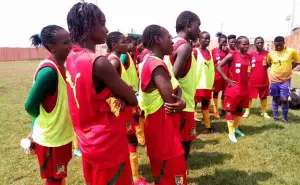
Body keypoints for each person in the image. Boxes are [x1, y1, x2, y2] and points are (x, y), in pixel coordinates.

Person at [66, 2, 137, 185]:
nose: (106, 29)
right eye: (102, 23)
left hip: (86, 140)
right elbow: (131, 98)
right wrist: (120, 97)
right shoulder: (98, 62)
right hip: (108, 143)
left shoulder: (70, 58)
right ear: (89, 26)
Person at [25, 25, 73, 185]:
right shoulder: (48, 71)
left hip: (61, 135)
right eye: (66, 43)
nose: (71, 46)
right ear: (52, 47)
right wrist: (39, 123)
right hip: (51, 138)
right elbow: (30, 105)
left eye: (70, 41)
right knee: (54, 177)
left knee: (59, 175)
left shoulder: (62, 67)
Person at [139, 24, 187, 185]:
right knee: (172, 177)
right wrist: (182, 102)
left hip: (163, 128)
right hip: (163, 130)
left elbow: (177, 89)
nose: (172, 41)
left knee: (166, 175)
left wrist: (179, 98)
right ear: (158, 40)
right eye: (169, 37)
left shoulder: (154, 61)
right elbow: (172, 100)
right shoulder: (156, 65)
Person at [106, 31, 149, 185]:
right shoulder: (114, 61)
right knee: (130, 140)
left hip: (128, 104)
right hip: (123, 109)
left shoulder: (117, 59)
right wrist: (117, 99)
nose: (126, 44)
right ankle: (134, 177)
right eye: (123, 42)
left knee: (130, 140)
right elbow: (105, 84)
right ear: (114, 45)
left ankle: (131, 175)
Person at [169, 10, 200, 163]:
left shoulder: (171, 43)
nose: (199, 30)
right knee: (183, 147)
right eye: (198, 26)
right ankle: (179, 177)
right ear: (188, 25)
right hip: (183, 105)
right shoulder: (185, 47)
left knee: (174, 145)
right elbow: (173, 78)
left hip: (177, 104)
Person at [217, 36, 251, 143]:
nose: (246, 46)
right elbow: (218, 66)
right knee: (231, 110)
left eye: (247, 44)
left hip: (244, 89)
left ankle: (236, 128)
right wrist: (226, 78)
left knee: (240, 110)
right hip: (233, 89)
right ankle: (231, 132)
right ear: (237, 45)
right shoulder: (233, 55)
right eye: (243, 44)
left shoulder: (249, 56)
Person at [266, 36, 300, 123]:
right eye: (276, 45)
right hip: (274, 81)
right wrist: (275, 70)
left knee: (285, 99)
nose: (278, 47)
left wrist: (290, 68)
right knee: (275, 98)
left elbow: (298, 61)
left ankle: (285, 118)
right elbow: (268, 63)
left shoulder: (291, 51)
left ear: (284, 43)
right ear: (274, 44)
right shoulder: (271, 54)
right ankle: (276, 116)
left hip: (285, 80)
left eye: (280, 45)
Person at [243, 37, 271, 119]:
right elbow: (248, 66)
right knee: (249, 97)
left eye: (262, 42)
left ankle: (264, 112)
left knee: (264, 96)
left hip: (263, 80)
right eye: (258, 43)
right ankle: (247, 111)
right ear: (255, 44)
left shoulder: (267, 53)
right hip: (252, 80)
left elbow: (269, 64)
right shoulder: (250, 54)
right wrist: (248, 75)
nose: (260, 44)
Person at [194, 31, 216, 133]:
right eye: (205, 38)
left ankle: (208, 127)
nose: (207, 40)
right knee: (192, 106)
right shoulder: (195, 52)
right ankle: (191, 127)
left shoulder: (210, 52)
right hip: (197, 85)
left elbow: (211, 69)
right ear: (199, 40)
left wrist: (212, 83)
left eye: (208, 38)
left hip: (207, 85)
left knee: (205, 105)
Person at [211, 32, 229, 118]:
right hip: (217, 76)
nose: (225, 43)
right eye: (223, 42)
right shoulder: (213, 51)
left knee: (224, 94)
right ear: (219, 41)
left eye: (226, 42)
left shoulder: (228, 52)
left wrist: (227, 50)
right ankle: (215, 110)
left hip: (226, 76)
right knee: (216, 93)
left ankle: (224, 109)